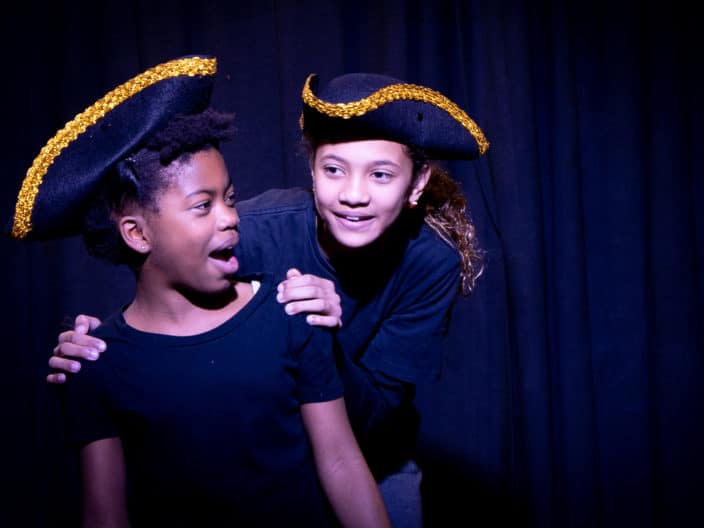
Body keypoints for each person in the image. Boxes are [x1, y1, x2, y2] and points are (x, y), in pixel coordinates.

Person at [49, 70, 489, 527]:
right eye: (333, 169)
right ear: (312, 170)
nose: (354, 195)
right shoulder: (248, 230)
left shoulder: (430, 261)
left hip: (373, 457)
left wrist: (327, 338)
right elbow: (164, 287)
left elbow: (376, 419)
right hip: (266, 450)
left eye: (380, 175)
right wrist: (97, 346)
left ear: (416, 184)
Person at [7, 56, 389, 527]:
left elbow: (342, 463)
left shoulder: (291, 313)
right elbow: (105, 515)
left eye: (229, 198)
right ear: (137, 234)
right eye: (202, 205)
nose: (231, 217)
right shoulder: (95, 364)